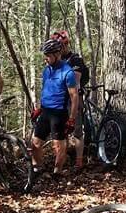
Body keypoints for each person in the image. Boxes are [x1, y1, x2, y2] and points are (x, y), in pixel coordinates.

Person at [30, 38, 79, 177]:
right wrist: (39, 108)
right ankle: (36, 170)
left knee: (58, 145)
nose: (45, 58)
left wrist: (72, 119)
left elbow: (74, 97)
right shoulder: (46, 70)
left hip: (59, 113)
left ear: (57, 55)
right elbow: (45, 90)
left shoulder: (67, 72)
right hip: (45, 111)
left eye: (48, 55)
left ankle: (57, 171)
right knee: (36, 143)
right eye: (45, 55)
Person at [52, 30, 89, 172]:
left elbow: (76, 81)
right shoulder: (55, 61)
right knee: (61, 132)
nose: (60, 49)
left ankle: (79, 161)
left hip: (73, 99)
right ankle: (62, 160)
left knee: (77, 130)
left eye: (62, 46)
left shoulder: (75, 60)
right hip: (59, 101)